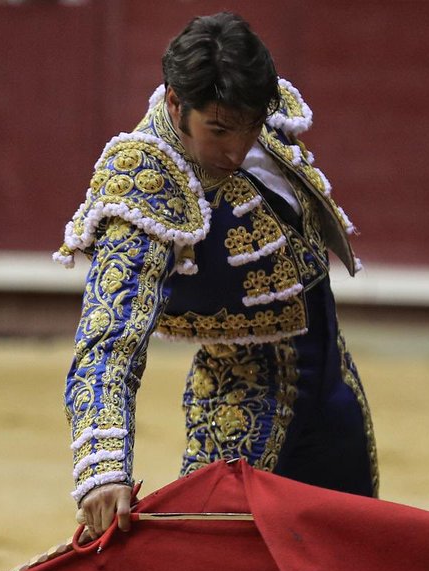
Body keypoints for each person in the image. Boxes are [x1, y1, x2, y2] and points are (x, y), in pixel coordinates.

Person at [55, 12, 377, 540]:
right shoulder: (147, 182)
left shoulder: (258, 120)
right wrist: (102, 466)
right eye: (220, 130)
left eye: (248, 128)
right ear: (178, 104)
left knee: (350, 562)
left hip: (335, 390)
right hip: (241, 409)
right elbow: (108, 340)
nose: (236, 148)